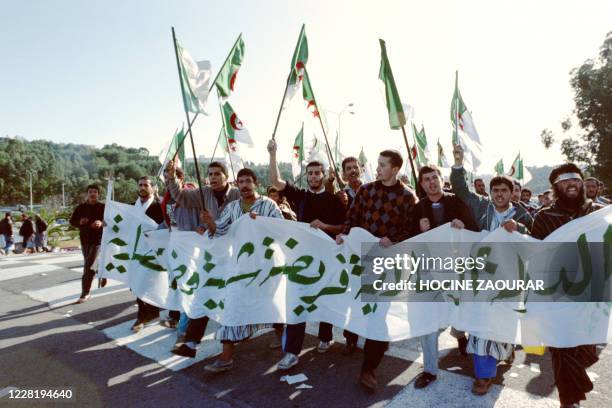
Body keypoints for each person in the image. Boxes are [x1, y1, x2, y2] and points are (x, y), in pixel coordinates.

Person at [451, 144, 532, 395]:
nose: (499, 194)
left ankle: (503, 351)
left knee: (503, 324)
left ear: (512, 193)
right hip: (482, 278)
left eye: (504, 190)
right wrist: (458, 162)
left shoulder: (524, 215)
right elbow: (462, 190)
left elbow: (535, 242)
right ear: (490, 192)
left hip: (510, 280)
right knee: (481, 326)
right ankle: (483, 376)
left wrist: (519, 229)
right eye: (495, 190)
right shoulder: (482, 207)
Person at [336, 149, 417, 390]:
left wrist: (392, 238)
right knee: (358, 305)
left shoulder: (407, 196)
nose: (378, 168)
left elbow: (410, 231)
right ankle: (359, 341)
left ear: (395, 169)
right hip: (362, 260)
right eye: (378, 164)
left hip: (388, 264)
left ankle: (369, 368)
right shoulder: (366, 190)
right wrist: (344, 234)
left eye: (383, 165)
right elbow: (352, 217)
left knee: (379, 313)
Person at [268, 138, 348, 369]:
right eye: (310, 173)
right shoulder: (300, 195)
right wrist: (273, 154)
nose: (313, 177)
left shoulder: (335, 200)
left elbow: (344, 228)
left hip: (327, 260)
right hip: (301, 260)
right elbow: (275, 181)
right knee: (297, 303)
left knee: (325, 298)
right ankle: (292, 352)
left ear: (323, 175)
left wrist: (325, 226)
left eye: (317, 173)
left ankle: (325, 336)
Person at [531, 163, 603, 408]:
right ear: (556, 187)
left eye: (576, 179)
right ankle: (568, 401)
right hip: (558, 297)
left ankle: (576, 387)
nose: (572, 183)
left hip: (591, 296)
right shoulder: (544, 217)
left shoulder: (598, 213)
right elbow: (535, 254)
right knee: (561, 348)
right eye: (565, 180)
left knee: (587, 350)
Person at [199, 168, 283, 373]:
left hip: (265, 268)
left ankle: (285, 344)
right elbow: (220, 231)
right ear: (237, 185)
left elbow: (282, 230)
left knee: (273, 306)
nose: (244, 185)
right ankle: (226, 357)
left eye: (248, 181)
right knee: (232, 305)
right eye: (241, 181)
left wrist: (261, 224)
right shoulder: (232, 208)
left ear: (255, 183)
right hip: (241, 268)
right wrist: (210, 223)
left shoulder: (268, 205)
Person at [412, 164, 478, 390]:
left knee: (461, 311)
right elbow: (405, 240)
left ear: (441, 179)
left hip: (457, 271)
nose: (431, 182)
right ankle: (430, 370)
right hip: (428, 272)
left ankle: (462, 336)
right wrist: (417, 230)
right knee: (427, 322)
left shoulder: (456, 202)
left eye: (434, 177)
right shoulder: (417, 208)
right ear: (421, 184)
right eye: (426, 179)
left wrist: (464, 225)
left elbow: (476, 231)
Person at [166, 160, 240, 358]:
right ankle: (191, 343)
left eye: (217, 174)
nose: (213, 177)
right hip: (213, 256)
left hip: (236, 256)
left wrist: (213, 224)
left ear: (226, 176)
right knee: (204, 293)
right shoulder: (203, 193)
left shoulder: (237, 194)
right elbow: (180, 196)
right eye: (210, 174)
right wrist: (171, 177)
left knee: (235, 298)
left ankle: (276, 330)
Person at [158, 167, 199, 331]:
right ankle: (176, 317)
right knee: (175, 280)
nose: (168, 183)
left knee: (187, 281)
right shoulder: (167, 199)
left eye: (171, 179)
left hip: (190, 244)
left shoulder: (191, 194)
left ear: (180, 179)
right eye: (166, 180)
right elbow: (168, 221)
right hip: (175, 243)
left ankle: (185, 325)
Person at [130, 176, 166, 332]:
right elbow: (122, 223)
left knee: (152, 282)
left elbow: (166, 226)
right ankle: (142, 315)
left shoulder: (159, 207)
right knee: (137, 282)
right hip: (136, 250)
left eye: (146, 185)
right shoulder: (131, 207)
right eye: (140, 185)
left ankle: (151, 313)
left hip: (153, 251)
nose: (142, 187)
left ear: (152, 188)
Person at [70, 185, 106, 303]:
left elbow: (111, 221)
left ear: (98, 194)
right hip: (85, 240)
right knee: (89, 263)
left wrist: (101, 223)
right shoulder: (80, 208)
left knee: (88, 266)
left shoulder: (103, 207)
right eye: (90, 192)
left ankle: (85, 293)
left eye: (95, 192)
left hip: (98, 240)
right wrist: (79, 222)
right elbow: (72, 222)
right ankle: (102, 272)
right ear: (87, 194)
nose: (93, 194)